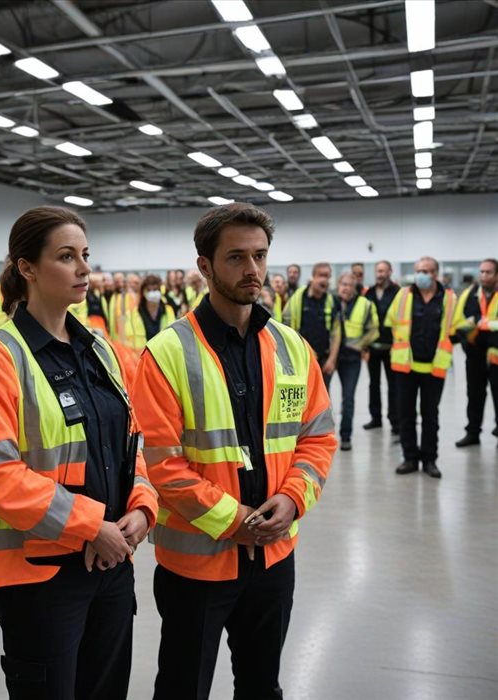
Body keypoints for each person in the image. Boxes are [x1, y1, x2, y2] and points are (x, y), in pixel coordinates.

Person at [132, 202, 336, 700]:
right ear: (204, 266)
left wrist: (291, 500)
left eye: (260, 257)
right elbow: (163, 466)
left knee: (262, 686)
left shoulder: (292, 348)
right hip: (198, 567)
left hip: (273, 559)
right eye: (236, 258)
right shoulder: (167, 353)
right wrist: (238, 519)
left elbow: (317, 438)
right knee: (183, 687)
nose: (253, 271)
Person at [0, 206, 157, 700]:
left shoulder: (101, 350)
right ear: (26, 267)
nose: (84, 268)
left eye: (86, 255)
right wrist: (92, 526)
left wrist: (143, 507)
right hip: (41, 579)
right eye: (67, 257)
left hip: (112, 565)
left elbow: (132, 442)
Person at [386, 256, 457, 478]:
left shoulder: (448, 298)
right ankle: (409, 458)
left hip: (434, 367)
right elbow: (391, 323)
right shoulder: (404, 295)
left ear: (435, 274)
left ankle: (429, 460)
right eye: (418, 270)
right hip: (405, 366)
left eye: (425, 271)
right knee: (406, 414)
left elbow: (455, 328)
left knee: (430, 415)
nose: (421, 275)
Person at [453, 258, 498, 446]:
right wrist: (465, 337)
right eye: (481, 272)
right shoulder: (469, 294)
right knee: (474, 395)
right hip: (474, 354)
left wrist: (487, 324)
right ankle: (473, 432)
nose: (483, 276)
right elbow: (458, 322)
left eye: (488, 272)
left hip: (496, 356)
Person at [331, 272, 379, 450]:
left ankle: (345, 436)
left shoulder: (365, 305)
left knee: (348, 398)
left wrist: (360, 345)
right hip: (330, 356)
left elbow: (374, 330)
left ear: (354, 287)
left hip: (351, 358)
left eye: (349, 285)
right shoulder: (331, 302)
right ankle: (323, 435)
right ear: (338, 284)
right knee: (323, 398)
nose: (345, 288)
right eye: (343, 284)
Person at [283, 262, 340, 390]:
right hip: (302, 359)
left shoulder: (333, 301)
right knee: (304, 398)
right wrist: (307, 350)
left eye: (328, 276)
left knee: (323, 399)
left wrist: (332, 359)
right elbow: (286, 330)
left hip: (324, 360)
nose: (325, 280)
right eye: (321, 275)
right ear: (313, 277)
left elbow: (336, 333)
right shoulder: (297, 299)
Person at [363, 260, 400, 433]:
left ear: (390, 272)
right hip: (372, 346)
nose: (380, 274)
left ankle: (395, 420)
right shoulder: (368, 293)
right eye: (378, 271)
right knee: (373, 384)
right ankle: (375, 418)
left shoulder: (397, 292)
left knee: (393, 385)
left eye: (383, 271)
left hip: (392, 346)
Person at [124, 274, 176, 355]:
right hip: (141, 358)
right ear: (143, 292)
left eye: (155, 289)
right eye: (148, 290)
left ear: (160, 290)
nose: (152, 293)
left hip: (163, 357)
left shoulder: (168, 311)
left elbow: (173, 335)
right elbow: (129, 341)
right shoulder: (132, 314)